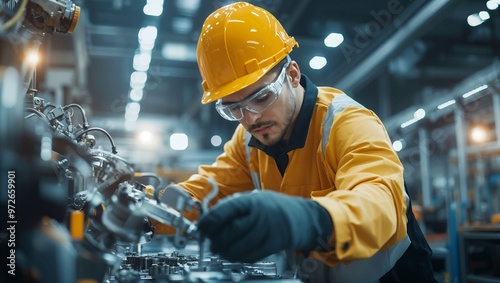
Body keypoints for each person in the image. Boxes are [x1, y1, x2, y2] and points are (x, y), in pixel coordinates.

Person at [159, 2, 437, 282]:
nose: (251, 118)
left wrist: (308, 219)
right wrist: (142, 212)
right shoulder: (246, 140)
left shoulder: (347, 121)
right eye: (234, 108)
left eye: (262, 97)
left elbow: (379, 204)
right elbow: (205, 192)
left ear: (292, 74)